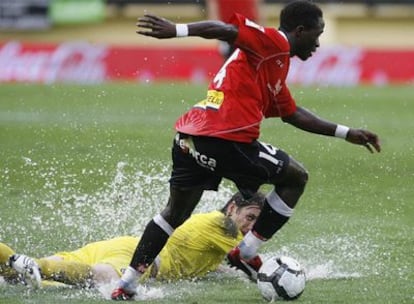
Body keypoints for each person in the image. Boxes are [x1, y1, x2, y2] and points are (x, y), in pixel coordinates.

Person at [111, 0, 381, 300]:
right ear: (300, 30)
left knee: (174, 214)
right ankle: (246, 253)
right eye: (317, 35)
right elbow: (227, 30)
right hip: (227, 138)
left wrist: (346, 133)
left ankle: (127, 284)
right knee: (296, 178)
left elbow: (291, 113)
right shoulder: (274, 41)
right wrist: (177, 30)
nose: (318, 43)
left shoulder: (271, 65)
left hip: (190, 138)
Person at [0, 192, 264, 289]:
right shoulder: (224, 228)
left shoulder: (211, 228)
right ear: (231, 209)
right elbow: (246, 260)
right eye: (250, 217)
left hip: (123, 246)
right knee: (96, 278)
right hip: (141, 260)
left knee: (17, 276)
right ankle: (32, 262)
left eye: (257, 222)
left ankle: (12, 260)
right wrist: (275, 275)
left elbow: (211, 262)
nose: (252, 227)